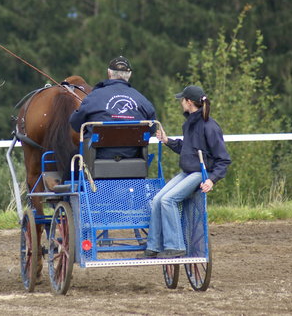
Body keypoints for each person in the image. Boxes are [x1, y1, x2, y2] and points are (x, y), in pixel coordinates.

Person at [138, 85, 231, 259]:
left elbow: (223, 159)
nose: (181, 102)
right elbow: (186, 149)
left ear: (189, 102)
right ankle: (154, 246)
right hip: (188, 171)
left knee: (168, 200)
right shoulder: (189, 124)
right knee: (158, 199)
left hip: (200, 173)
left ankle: (175, 246)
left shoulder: (210, 127)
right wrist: (167, 141)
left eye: (182, 100)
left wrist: (212, 180)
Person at [69, 56, 156, 160]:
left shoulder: (94, 96)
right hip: (133, 156)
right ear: (130, 75)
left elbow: (76, 124)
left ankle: (66, 177)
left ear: (109, 73)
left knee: (73, 155)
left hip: (98, 156)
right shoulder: (142, 100)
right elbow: (152, 128)